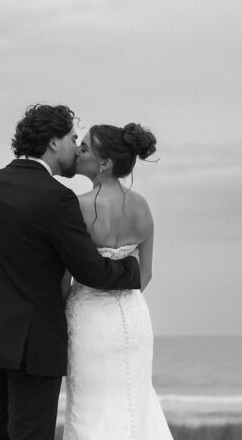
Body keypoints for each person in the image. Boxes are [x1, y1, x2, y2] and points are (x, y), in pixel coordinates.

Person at [0, 104, 142, 440]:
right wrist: (131, 270)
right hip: (34, 340)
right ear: (53, 142)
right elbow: (90, 270)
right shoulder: (56, 198)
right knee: (30, 434)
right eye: (72, 139)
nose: (75, 148)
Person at [62, 122, 173, 440]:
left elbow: (65, 276)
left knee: (91, 406)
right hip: (135, 317)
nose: (78, 152)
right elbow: (145, 274)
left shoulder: (78, 206)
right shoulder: (142, 205)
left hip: (90, 320)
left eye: (84, 148)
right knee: (135, 401)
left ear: (105, 164)